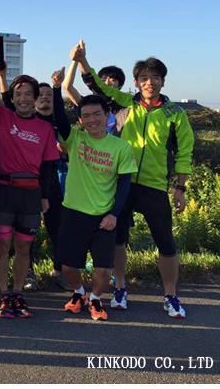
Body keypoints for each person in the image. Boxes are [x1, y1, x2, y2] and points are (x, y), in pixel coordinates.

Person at [72, 41, 194, 318]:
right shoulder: (125, 103)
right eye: (144, 78)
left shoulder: (175, 114)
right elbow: (97, 86)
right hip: (122, 183)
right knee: (117, 239)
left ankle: (171, 295)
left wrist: (180, 187)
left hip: (154, 186)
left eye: (155, 77)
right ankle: (120, 288)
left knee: (166, 242)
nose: (149, 82)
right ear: (136, 82)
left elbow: (184, 152)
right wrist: (82, 61)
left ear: (163, 81)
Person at [0, 44, 58, 319]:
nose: (23, 99)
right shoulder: (3, 117)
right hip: (4, 190)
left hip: (31, 194)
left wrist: (45, 196)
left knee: (23, 247)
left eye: (28, 94)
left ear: (35, 99)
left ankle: (18, 294)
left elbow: (48, 165)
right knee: (2, 246)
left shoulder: (45, 128)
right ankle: (3, 294)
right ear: (13, 97)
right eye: (18, 94)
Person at [53, 88, 137, 321]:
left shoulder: (121, 147)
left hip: (103, 215)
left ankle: (96, 298)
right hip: (73, 212)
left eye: (97, 114)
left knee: (104, 270)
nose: (92, 120)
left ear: (107, 115)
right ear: (80, 120)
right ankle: (79, 292)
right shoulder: (75, 139)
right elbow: (60, 118)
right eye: (86, 116)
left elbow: (125, 184)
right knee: (68, 267)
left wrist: (114, 214)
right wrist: (56, 88)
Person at [0, 63, 71, 292]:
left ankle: (57, 271)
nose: (45, 97)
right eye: (42, 94)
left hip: (47, 185)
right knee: (19, 239)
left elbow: (49, 163)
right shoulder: (19, 118)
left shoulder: (54, 123)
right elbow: (8, 101)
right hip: (18, 186)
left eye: (49, 94)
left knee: (54, 230)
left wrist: (57, 87)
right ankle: (25, 277)